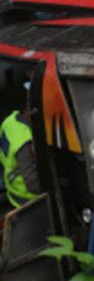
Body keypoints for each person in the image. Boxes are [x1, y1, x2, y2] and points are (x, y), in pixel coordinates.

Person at [0, 82, 40, 210]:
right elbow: (32, 184)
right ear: (28, 109)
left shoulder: (9, 121)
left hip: (11, 189)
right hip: (26, 200)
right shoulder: (24, 141)